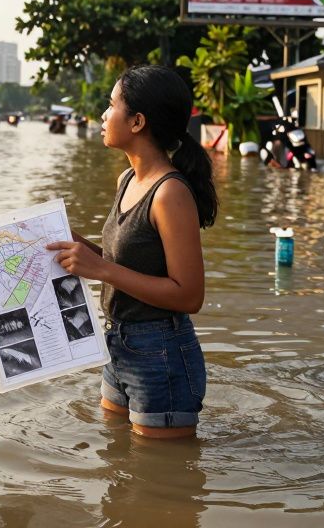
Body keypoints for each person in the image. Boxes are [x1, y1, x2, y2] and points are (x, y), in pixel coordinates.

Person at [46, 65, 217, 439]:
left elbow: (189, 295)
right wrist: (77, 246)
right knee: (118, 463)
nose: (104, 116)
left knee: (164, 480)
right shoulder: (127, 180)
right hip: (118, 344)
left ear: (137, 121)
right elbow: (121, 263)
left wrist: (100, 270)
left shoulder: (170, 193)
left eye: (111, 106)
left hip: (161, 352)